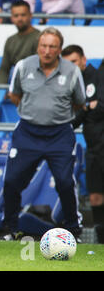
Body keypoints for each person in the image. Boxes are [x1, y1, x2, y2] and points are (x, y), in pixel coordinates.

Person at [2, 27, 86, 240]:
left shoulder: (72, 71)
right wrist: (35, 112)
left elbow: (79, 102)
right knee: (11, 181)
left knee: (65, 182)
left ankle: (73, 230)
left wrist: (54, 115)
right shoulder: (23, 66)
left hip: (59, 134)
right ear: (38, 46)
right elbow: (14, 95)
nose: (47, 51)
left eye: (52, 47)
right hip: (27, 132)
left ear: (59, 49)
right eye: (43, 46)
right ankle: (9, 229)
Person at [63, 44, 104, 244]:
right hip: (92, 146)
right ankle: (100, 243)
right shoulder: (74, 84)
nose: (70, 66)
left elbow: (101, 108)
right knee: (95, 196)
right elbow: (75, 120)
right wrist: (89, 107)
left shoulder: (99, 76)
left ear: (83, 60)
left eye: (74, 62)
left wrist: (87, 108)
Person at [0, 0, 40, 85]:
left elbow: (38, 68)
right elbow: (4, 69)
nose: (19, 19)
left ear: (30, 16)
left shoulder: (40, 38)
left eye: (23, 15)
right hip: (15, 84)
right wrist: (0, 92)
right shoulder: (10, 40)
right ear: (12, 18)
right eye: (16, 16)